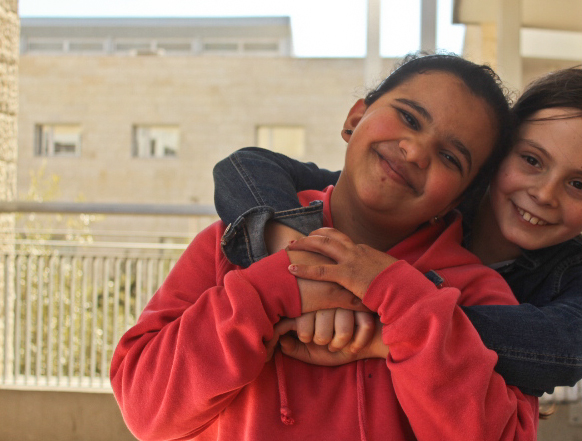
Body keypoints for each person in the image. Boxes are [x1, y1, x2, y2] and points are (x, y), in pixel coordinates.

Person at [110, 53, 540, 441]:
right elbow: (144, 407)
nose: (414, 151)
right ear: (355, 117)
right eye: (409, 118)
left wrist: (401, 300)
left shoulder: (479, 293)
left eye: (451, 158)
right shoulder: (232, 243)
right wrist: (273, 287)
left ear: (458, 199)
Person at [212, 66, 582, 396]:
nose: (546, 194)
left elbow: (570, 347)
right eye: (531, 160)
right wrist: (292, 259)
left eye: (580, 185)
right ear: (493, 158)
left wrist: (386, 328)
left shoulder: (576, 276)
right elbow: (246, 166)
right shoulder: (426, 198)